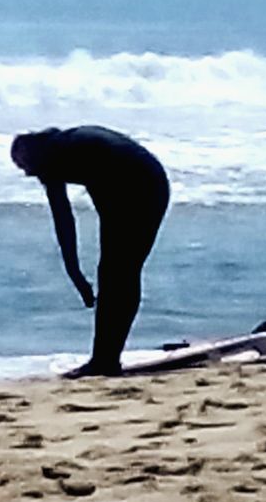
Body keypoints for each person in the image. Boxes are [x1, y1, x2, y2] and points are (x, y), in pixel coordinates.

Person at [10, 125, 170, 377]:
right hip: (148, 182)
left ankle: (104, 360)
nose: (29, 174)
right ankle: (106, 358)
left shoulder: (55, 155)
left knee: (118, 273)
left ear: (35, 152)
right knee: (120, 272)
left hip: (139, 185)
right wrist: (76, 274)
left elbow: (63, 219)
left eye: (24, 166)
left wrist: (75, 273)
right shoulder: (61, 147)